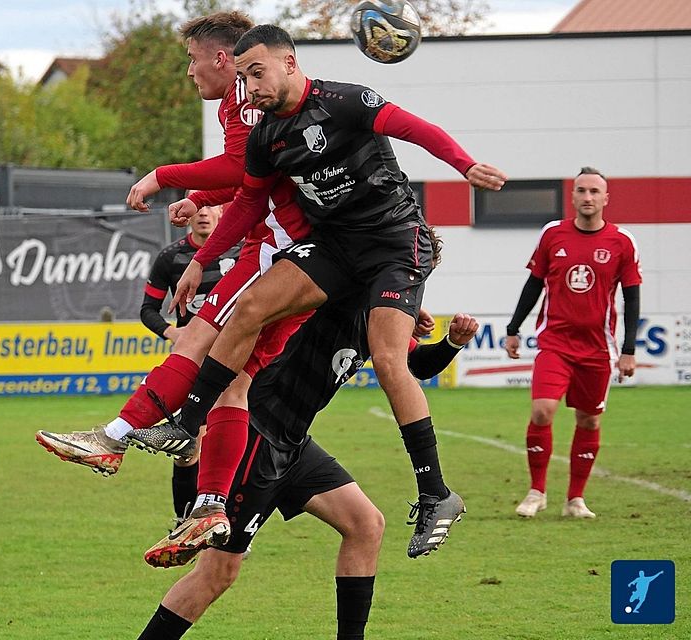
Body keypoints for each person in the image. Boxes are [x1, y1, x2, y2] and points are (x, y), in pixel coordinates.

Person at [143, 24, 507, 560]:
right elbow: (247, 203)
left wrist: (463, 164)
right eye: (242, 77)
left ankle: (435, 492)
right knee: (250, 307)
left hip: (392, 241)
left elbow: (414, 128)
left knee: (388, 358)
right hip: (335, 247)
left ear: (290, 63)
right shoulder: (267, 136)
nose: (250, 86)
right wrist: (202, 258)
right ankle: (187, 422)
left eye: (258, 72)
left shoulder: (345, 100)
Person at [36, 11, 312, 519]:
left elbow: (240, 170)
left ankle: (114, 438)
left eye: (192, 59)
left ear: (221, 58)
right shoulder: (255, 99)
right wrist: (202, 199)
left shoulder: (243, 100)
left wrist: (162, 175)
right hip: (294, 252)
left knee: (194, 341)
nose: (189, 71)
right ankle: (209, 506)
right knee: (233, 380)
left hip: (278, 251)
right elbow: (251, 180)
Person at [137, 291, 480, 638]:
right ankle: (192, 514)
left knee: (366, 525)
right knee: (217, 574)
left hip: (294, 444)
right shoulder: (333, 289)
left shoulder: (379, 318)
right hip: (255, 440)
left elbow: (417, 365)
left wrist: (452, 342)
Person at [505, 167, 641, 519]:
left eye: (595, 191)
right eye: (581, 190)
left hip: (598, 349)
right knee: (541, 411)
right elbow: (533, 285)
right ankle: (536, 492)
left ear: (606, 198)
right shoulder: (552, 234)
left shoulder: (622, 242)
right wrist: (513, 327)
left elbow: (632, 298)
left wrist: (628, 350)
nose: (588, 197)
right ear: (573, 196)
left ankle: (575, 499)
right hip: (556, 343)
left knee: (589, 421)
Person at [140, 200, 242, 526]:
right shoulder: (171, 258)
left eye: (209, 204)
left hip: (237, 362)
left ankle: (227, 522)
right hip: (195, 362)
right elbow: (148, 310)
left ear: (222, 212)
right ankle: (184, 520)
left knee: (233, 439)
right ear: (184, 213)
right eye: (196, 203)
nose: (202, 212)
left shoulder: (242, 253)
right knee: (189, 445)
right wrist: (175, 334)